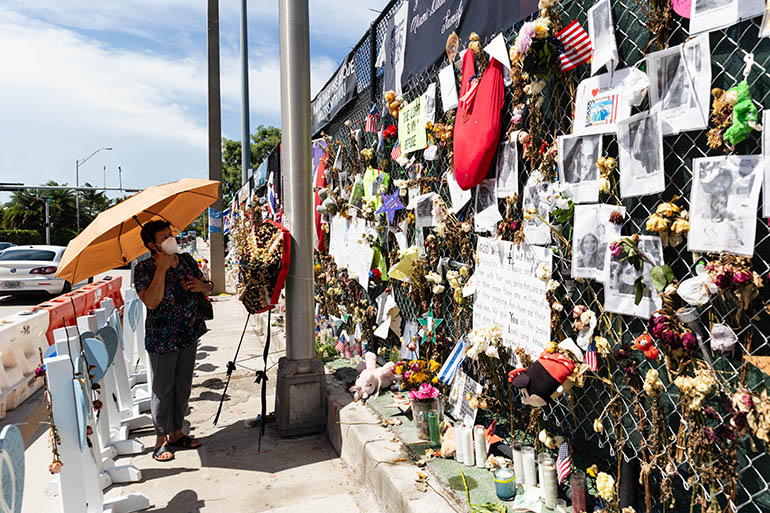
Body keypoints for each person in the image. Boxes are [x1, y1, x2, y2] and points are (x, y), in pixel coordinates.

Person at [133, 220, 211, 462]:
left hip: (188, 332)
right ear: (151, 244)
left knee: (183, 386)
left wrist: (202, 286)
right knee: (163, 389)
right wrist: (161, 269)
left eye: (170, 234)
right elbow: (152, 302)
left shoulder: (186, 260)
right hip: (162, 338)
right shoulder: (144, 268)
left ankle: (177, 433)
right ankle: (161, 439)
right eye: (164, 236)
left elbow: (208, 288)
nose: (170, 238)